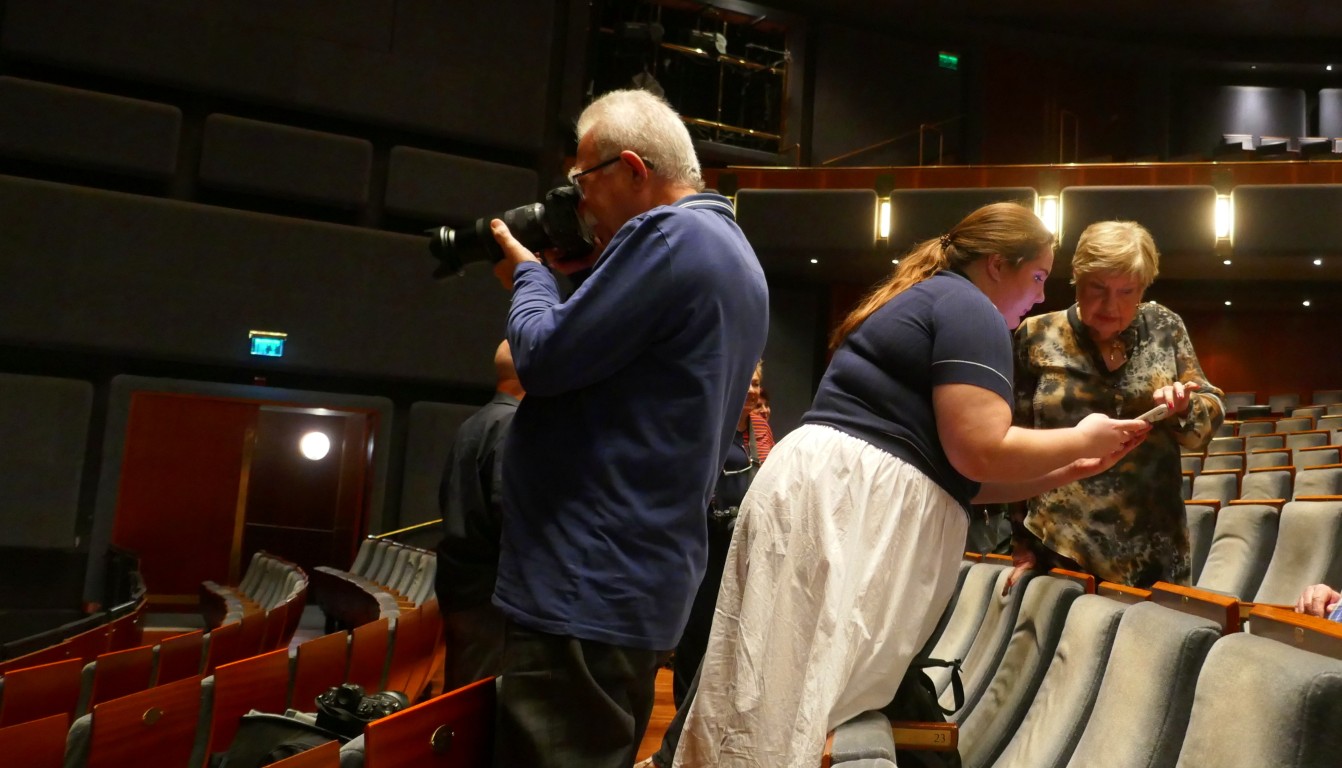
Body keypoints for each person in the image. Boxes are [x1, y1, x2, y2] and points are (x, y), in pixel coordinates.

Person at [674, 202, 1146, 768]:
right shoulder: (971, 308)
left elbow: (959, 479)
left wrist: (1067, 469)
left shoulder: (940, 297)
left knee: (774, 689)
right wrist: (1081, 437)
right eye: (1039, 276)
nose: (1042, 296)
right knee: (792, 696)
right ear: (998, 266)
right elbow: (980, 449)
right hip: (845, 501)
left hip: (832, 490)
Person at [487, 88, 769, 768]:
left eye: (583, 180)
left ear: (633, 169)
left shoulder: (667, 236)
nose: (578, 203)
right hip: (633, 581)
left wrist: (528, 278)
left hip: (584, 581)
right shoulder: (731, 249)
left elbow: (542, 359)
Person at [1012, 220, 1225, 587]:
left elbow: (1206, 419)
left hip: (1154, 545)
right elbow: (1015, 443)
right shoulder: (1036, 335)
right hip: (1060, 542)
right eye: (1098, 288)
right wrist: (1020, 541)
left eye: (1127, 291)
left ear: (1142, 288)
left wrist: (1184, 408)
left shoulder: (1165, 327)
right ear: (1077, 278)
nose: (1111, 304)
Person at [433, 340, 523, 692]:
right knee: (480, 702)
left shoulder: (476, 421)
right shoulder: (514, 424)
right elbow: (510, 513)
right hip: (491, 591)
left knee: (463, 693)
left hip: (464, 581)